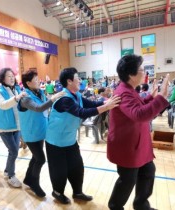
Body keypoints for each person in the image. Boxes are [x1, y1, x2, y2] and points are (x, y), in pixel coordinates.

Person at [45, 67, 121, 204]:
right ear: (69, 81)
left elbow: (91, 104)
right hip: (55, 142)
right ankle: (57, 192)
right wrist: (107, 107)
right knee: (59, 170)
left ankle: (77, 192)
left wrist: (108, 102)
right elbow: (81, 112)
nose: (80, 81)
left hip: (69, 139)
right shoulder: (64, 98)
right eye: (77, 78)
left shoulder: (77, 95)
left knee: (77, 167)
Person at [107, 54, 169, 210]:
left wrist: (151, 98)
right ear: (131, 75)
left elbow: (137, 107)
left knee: (148, 171)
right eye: (141, 69)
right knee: (128, 179)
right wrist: (161, 97)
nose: (144, 73)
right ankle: (115, 206)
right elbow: (139, 114)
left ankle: (141, 204)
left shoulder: (129, 89)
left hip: (137, 144)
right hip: (127, 146)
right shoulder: (123, 92)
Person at [17, 69, 64, 197]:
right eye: (36, 80)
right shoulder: (25, 98)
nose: (39, 82)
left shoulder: (39, 92)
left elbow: (46, 104)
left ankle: (28, 179)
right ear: (28, 83)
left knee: (35, 157)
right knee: (41, 159)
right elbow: (38, 108)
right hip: (31, 133)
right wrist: (53, 99)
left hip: (41, 131)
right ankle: (34, 183)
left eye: (38, 79)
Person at [0, 68, 27, 188]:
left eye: (12, 75)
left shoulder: (17, 88)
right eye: (8, 76)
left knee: (13, 151)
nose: (12, 78)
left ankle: (8, 170)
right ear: (2, 78)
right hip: (5, 127)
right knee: (13, 150)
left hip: (17, 126)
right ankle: (11, 176)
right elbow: (3, 105)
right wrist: (17, 98)